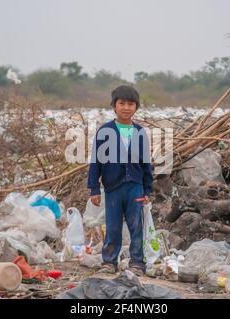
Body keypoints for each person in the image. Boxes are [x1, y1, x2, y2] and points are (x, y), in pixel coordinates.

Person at [87, 85, 153, 276]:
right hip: (113, 187)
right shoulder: (104, 131)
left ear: (136, 107)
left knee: (136, 227)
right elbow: (96, 161)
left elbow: (146, 163)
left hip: (136, 187)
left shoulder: (140, 132)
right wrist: (94, 188)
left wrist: (147, 190)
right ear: (114, 106)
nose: (126, 107)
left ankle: (137, 263)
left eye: (130, 104)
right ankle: (109, 262)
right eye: (121, 103)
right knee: (113, 227)